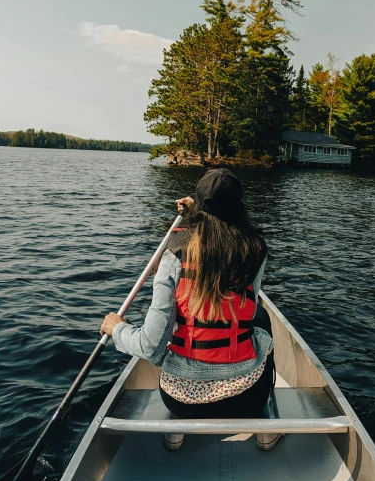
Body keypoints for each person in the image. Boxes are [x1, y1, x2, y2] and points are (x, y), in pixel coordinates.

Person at [100, 168, 281, 451]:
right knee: (261, 319)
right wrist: (196, 212)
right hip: (247, 400)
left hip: (182, 403)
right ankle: (266, 429)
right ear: (240, 207)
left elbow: (150, 347)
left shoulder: (174, 252)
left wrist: (117, 330)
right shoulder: (255, 248)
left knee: (172, 326)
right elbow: (227, 234)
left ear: (198, 205)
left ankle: (177, 432)